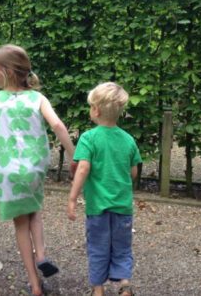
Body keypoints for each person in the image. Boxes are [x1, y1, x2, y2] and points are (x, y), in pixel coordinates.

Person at [0, 44, 76, 296]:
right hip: (34, 166)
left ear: (4, 71)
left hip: (6, 170)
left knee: (20, 224)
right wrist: (73, 156)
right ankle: (42, 255)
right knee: (34, 209)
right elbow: (57, 125)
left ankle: (35, 285)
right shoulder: (38, 98)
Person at [67, 82, 142, 296]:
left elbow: (82, 169)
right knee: (122, 249)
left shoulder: (88, 138)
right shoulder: (128, 140)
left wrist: (73, 198)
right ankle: (124, 284)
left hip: (97, 208)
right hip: (122, 207)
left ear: (96, 110)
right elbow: (133, 172)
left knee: (98, 249)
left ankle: (98, 290)